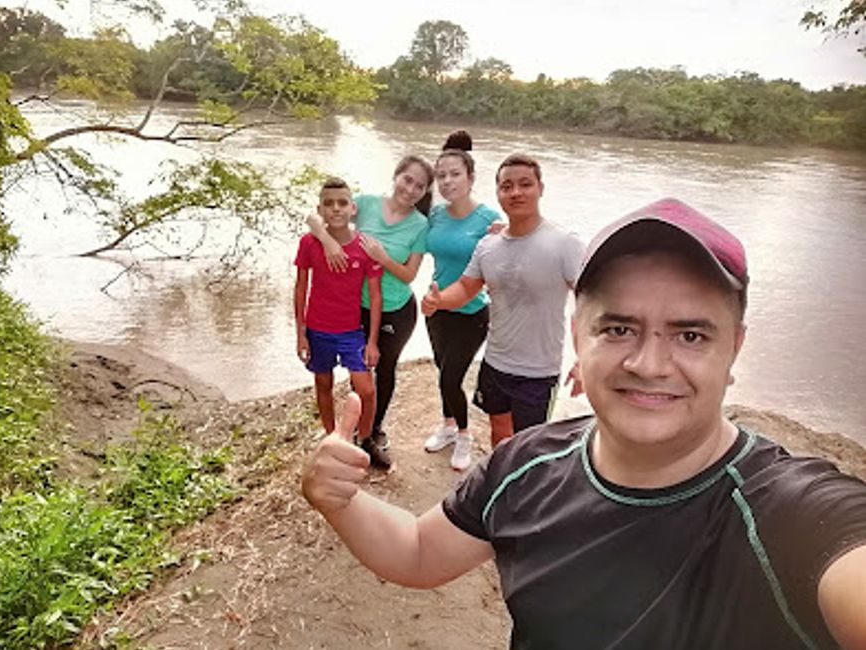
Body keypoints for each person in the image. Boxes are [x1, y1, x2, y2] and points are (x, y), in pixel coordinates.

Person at [301, 197, 866, 649]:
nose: (648, 364)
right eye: (618, 329)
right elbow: (420, 551)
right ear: (577, 338)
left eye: (690, 335)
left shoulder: (792, 514)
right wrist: (340, 500)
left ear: (734, 349)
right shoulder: (524, 466)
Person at [421, 153, 585, 447]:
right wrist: (439, 300)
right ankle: (500, 485)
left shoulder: (564, 243)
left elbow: (590, 302)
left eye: (525, 184)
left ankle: (525, 492)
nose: (516, 192)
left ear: (540, 188)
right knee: (498, 432)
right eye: (507, 186)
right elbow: (466, 287)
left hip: (538, 369)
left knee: (529, 444)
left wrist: (584, 358)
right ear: (498, 192)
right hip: (495, 361)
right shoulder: (489, 245)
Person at [307, 156, 433, 469]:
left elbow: (408, 275)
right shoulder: (364, 203)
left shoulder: (420, 224)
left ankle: (372, 432)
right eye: (407, 179)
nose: (411, 189)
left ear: (425, 191)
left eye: (419, 185)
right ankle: (350, 429)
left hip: (395, 309)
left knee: (384, 369)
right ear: (396, 176)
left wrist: (381, 256)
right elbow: (315, 217)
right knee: (358, 371)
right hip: (354, 304)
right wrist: (327, 242)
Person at [422, 131, 500, 471]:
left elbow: (508, 260)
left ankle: (465, 435)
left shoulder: (489, 220)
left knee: (450, 378)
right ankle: (448, 426)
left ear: (470, 178)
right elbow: (398, 220)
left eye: (455, 174)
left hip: (471, 312)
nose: (447, 181)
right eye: (441, 176)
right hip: (436, 309)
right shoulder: (435, 216)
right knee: (442, 369)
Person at [294, 177, 383, 442]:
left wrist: (372, 342)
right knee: (323, 384)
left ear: (353, 209)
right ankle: (331, 437)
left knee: (366, 390)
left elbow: (376, 297)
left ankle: (363, 441)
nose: (335, 209)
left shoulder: (365, 247)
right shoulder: (309, 243)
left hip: (351, 331)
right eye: (328, 204)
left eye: (342, 203)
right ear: (320, 209)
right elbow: (300, 289)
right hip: (317, 329)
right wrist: (300, 334)